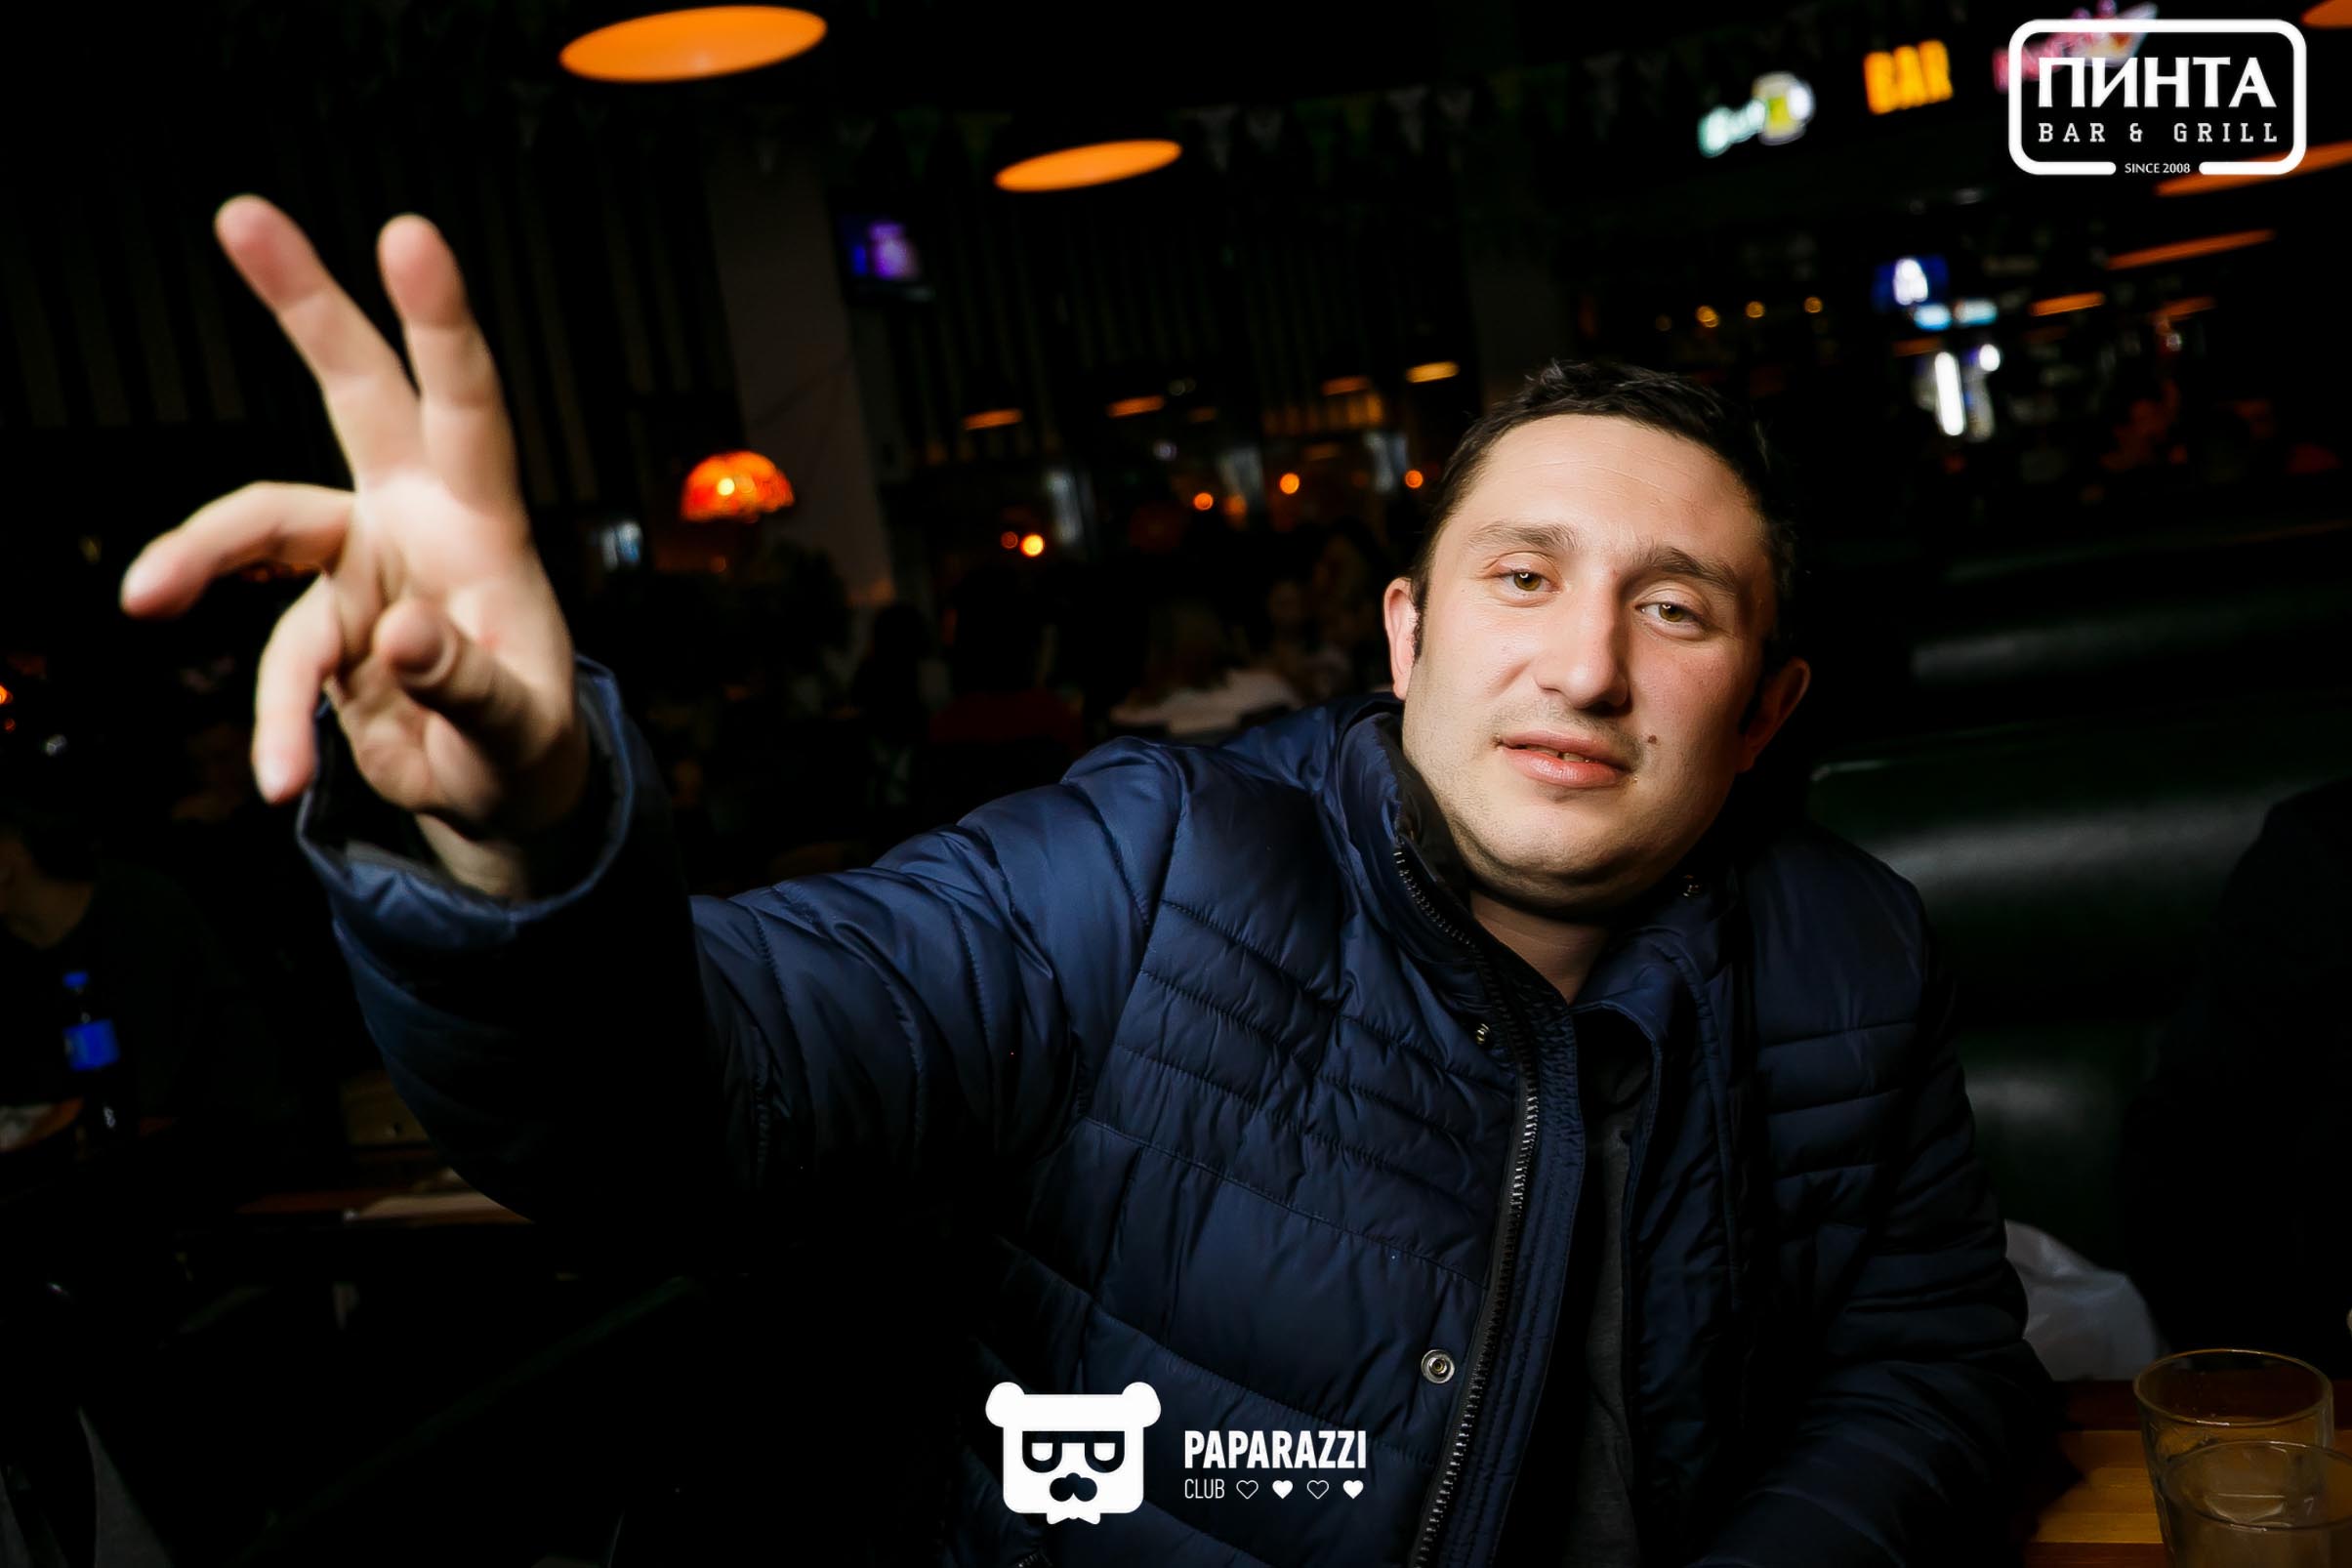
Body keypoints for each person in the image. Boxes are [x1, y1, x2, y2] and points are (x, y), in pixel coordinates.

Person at [119, 196, 2043, 1567]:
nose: (1585, 665)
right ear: (1406, 632)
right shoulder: (1152, 861)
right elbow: (693, 1090)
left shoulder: (1848, 948)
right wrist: (525, 833)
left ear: (1765, 706)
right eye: (1521, 577)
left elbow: (1929, 1370)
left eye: (1673, 608)